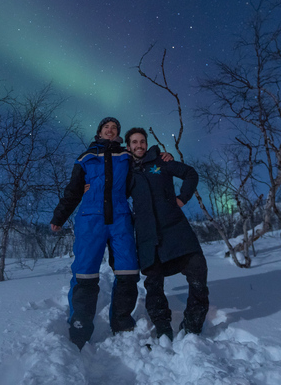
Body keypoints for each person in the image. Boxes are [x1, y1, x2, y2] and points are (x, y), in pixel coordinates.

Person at [50, 117, 139, 350]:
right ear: (99, 132)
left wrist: (164, 157)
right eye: (106, 127)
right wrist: (59, 216)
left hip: (120, 217)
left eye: (115, 128)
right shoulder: (85, 158)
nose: (110, 130)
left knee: (128, 270)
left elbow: (143, 170)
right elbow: (73, 190)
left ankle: (122, 322)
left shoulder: (126, 156)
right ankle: (80, 324)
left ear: (118, 133)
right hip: (91, 219)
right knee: (85, 273)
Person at [125, 127, 209, 340]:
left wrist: (182, 198)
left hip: (175, 229)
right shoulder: (125, 171)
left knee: (198, 270)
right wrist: (90, 187)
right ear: (128, 146)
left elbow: (190, 173)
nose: (139, 145)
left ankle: (192, 326)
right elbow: (110, 191)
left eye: (142, 141)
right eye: (134, 142)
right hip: (147, 236)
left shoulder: (161, 161)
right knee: (153, 286)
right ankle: (163, 329)